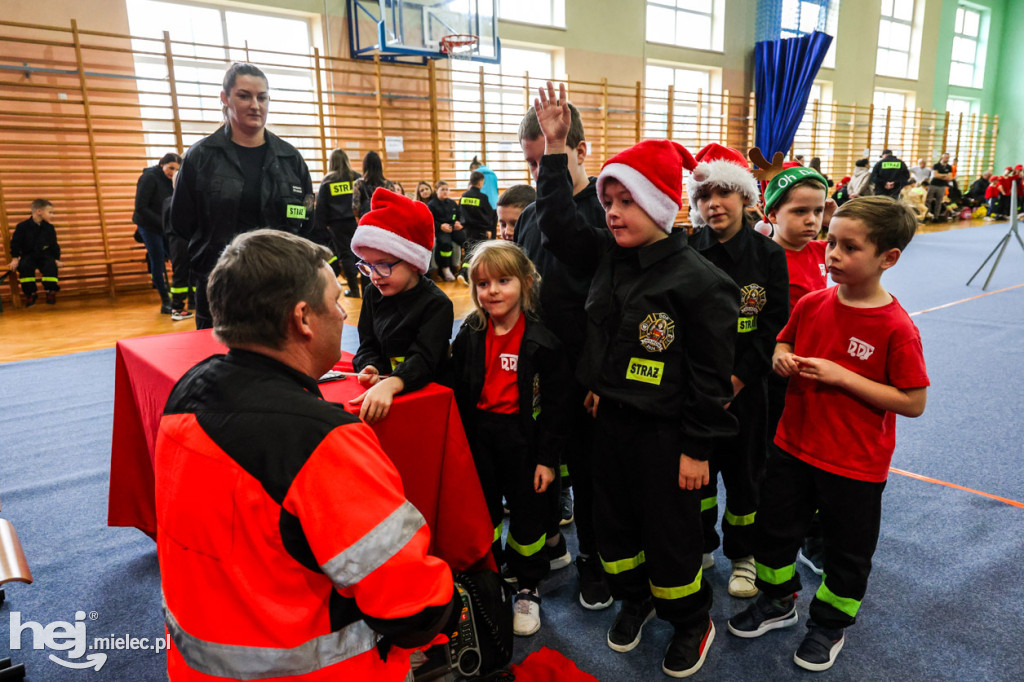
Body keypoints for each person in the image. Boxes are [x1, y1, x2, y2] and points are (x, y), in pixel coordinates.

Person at [155, 229, 457, 681]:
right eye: (336, 300)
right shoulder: (324, 441)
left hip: (196, 664)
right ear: (302, 318)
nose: (342, 312)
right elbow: (412, 610)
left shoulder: (186, 393)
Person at [534, 82, 739, 678]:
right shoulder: (607, 254)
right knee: (613, 527)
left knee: (671, 535)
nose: (614, 212)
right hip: (609, 424)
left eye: (628, 201)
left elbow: (709, 378)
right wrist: (553, 150)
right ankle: (636, 599)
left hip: (669, 436)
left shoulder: (702, 283)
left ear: (661, 206)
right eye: (609, 200)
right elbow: (559, 229)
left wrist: (698, 447)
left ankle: (691, 619)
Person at [728, 196, 929, 673]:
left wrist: (843, 377)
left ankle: (830, 623)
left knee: (846, 551)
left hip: (854, 465)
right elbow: (784, 339)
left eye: (849, 247)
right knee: (773, 534)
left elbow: (914, 401)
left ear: (888, 258)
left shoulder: (897, 328)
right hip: (793, 447)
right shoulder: (814, 303)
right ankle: (778, 601)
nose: (831, 254)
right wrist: (780, 354)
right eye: (830, 242)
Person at [447, 240, 572, 637]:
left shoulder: (543, 340)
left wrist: (546, 459)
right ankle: (493, 573)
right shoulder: (469, 331)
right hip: (481, 438)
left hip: (525, 442)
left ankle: (528, 585)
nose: (493, 291)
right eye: (483, 284)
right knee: (483, 510)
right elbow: (454, 383)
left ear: (526, 283)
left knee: (528, 514)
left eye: (504, 281)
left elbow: (555, 408)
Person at [516, 94, 609, 610]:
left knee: (591, 474)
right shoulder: (531, 215)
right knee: (541, 464)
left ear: (580, 150)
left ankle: (594, 559)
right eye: (531, 162)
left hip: (588, 369)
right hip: (542, 371)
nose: (539, 170)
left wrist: (598, 376)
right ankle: (549, 543)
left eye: (549, 157)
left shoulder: (605, 211)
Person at [687, 144, 789, 600]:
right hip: (698, 391)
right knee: (699, 472)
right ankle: (702, 541)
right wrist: (705, 383)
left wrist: (740, 378)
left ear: (746, 197)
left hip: (748, 391)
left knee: (746, 475)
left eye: (725, 192)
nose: (714, 203)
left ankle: (743, 554)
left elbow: (771, 325)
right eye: (704, 194)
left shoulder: (769, 256)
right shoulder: (688, 250)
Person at [171, 62, 321, 330]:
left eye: (262, 97)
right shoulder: (200, 158)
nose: (255, 105)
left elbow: (306, 217)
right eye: (244, 96)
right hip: (219, 287)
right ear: (225, 98)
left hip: (279, 286)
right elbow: (182, 224)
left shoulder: (291, 159)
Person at [350, 188, 454, 425]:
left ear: (413, 262)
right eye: (368, 266)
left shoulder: (436, 304)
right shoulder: (372, 293)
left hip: (427, 397)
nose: (374, 276)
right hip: (386, 393)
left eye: (384, 266)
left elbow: (425, 359)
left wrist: (394, 383)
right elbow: (367, 344)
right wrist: (369, 367)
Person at [133, 153, 181, 315]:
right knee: (157, 259)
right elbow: (141, 207)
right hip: (148, 225)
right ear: (162, 165)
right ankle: (165, 300)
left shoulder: (173, 181)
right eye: (170, 168)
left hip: (165, 225)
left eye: (176, 170)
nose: (172, 172)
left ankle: (180, 297)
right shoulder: (149, 178)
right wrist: (162, 222)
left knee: (178, 257)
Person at [314, 148, 363, 297]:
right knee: (362, 254)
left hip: (337, 224)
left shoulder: (328, 180)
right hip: (357, 221)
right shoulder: (356, 178)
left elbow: (321, 206)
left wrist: (322, 227)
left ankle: (354, 290)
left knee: (346, 255)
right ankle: (367, 288)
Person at [8, 199, 62, 307]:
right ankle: (30, 293)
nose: (53, 215)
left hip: (45, 255)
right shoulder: (22, 227)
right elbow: (15, 244)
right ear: (39, 211)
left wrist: (57, 259)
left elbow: (54, 245)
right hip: (28, 255)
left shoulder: (49, 228)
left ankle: (50, 291)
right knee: (24, 266)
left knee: (50, 265)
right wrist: (15, 258)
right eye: (50, 212)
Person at [455, 171, 497, 284]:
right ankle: (464, 274)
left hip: (467, 230)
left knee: (470, 251)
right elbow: (488, 214)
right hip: (480, 230)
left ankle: (466, 275)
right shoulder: (482, 197)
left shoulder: (464, 196)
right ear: (480, 182)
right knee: (477, 252)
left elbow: (460, 212)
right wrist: (489, 229)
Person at [427, 180, 463, 281]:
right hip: (440, 230)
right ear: (436, 190)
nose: (445, 192)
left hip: (452, 229)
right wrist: (440, 226)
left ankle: (460, 268)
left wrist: (458, 222)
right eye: (442, 189)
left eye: (447, 190)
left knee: (463, 239)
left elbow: (460, 216)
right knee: (445, 243)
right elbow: (430, 221)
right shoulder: (432, 204)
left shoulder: (452, 203)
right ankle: (445, 269)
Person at [352, 151, 396, 219]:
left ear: (365, 166)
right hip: (384, 222)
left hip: (367, 222)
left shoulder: (358, 184)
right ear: (380, 166)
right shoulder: (389, 185)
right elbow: (394, 207)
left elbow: (355, 209)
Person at [926, 152, 953, 222]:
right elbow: (935, 175)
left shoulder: (949, 167)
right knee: (928, 200)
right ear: (942, 157)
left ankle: (936, 217)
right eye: (945, 157)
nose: (947, 158)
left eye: (948, 157)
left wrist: (940, 175)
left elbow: (950, 177)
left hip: (942, 186)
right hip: (933, 185)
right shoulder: (936, 165)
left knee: (939, 202)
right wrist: (944, 175)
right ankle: (926, 216)